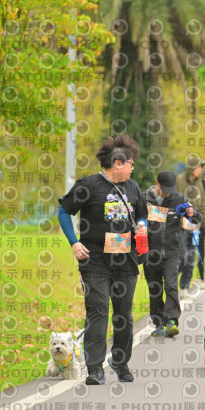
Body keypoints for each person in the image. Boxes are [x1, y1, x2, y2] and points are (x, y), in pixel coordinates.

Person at [57, 134, 148, 385]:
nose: (132, 168)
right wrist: (74, 242)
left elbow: (142, 213)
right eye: (131, 163)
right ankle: (95, 368)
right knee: (98, 312)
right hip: (95, 260)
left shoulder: (133, 187)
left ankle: (120, 361)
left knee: (124, 315)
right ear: (118, 163)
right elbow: (64, 211)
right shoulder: (88, 185)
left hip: (126, 261)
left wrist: (142, 225)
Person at [144, 171, 201, 337]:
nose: (168, 193)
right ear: (157, 183)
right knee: (155, 289)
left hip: (172, 251)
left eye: (170, 189)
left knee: (170, 285)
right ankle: (158, 324)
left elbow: (197, 218)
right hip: (150, 252)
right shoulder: (145, 198)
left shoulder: (179, 199)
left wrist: (192, 213)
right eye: (165, 189)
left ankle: (171, 321)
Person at [175, 154, 205, 296]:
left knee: (191, 258)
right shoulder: (179, 181)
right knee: (183, 256)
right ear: (191, 168)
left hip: (195, 226)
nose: (200, 170)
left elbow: (203, 205)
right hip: (180, 226)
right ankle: (172, 279)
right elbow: (174, 202)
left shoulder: (199, 184)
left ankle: (184, 287)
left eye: (201, 167)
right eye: (198, 167)